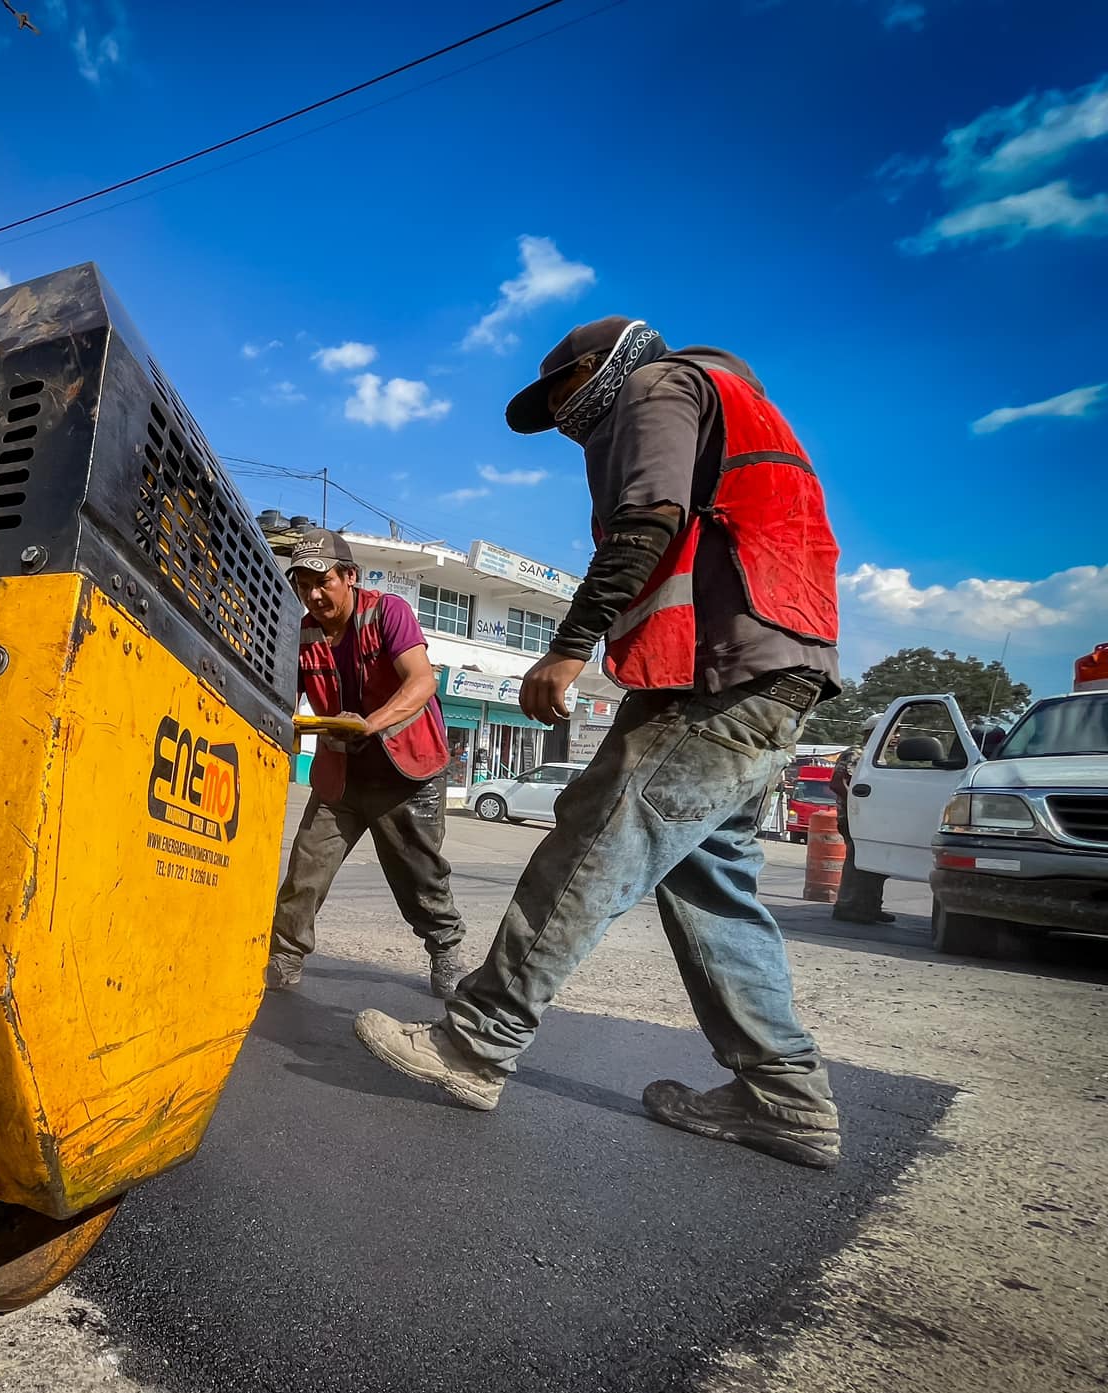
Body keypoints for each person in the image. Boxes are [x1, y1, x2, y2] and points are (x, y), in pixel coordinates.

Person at [353, 317, 845, 1170]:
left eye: (561, 399)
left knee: (588, 842)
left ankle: (475, 1042)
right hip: (779, 673)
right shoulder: (742, 404)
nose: (565, 421)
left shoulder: (659, 387)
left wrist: (569, 647)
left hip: (715, 678)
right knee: (713, 888)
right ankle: (785, 1096)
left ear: (592, 370)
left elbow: (647, 516)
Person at [266, 529, 468, 998]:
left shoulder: (388, 611)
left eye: (322, 581)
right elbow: (281, 702)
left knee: (419, 875)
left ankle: (446, 950)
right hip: (342, 776)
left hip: (408, 773)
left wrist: (369, 724)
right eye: (302, 584)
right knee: (305, 870)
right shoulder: (301, 635)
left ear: (349, 577)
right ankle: (285, 957)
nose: (313, 594)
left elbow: (421, 683)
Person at [830, 717, 892, 924]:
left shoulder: (879, 757)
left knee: (875, 862)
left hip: (873, 818)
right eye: (893, 730)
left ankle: (870, 906)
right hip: (854, 817)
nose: (897, 736)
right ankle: (846, 905)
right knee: (856, 860)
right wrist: (858, 808)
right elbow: (838, 783)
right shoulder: (856, 753)